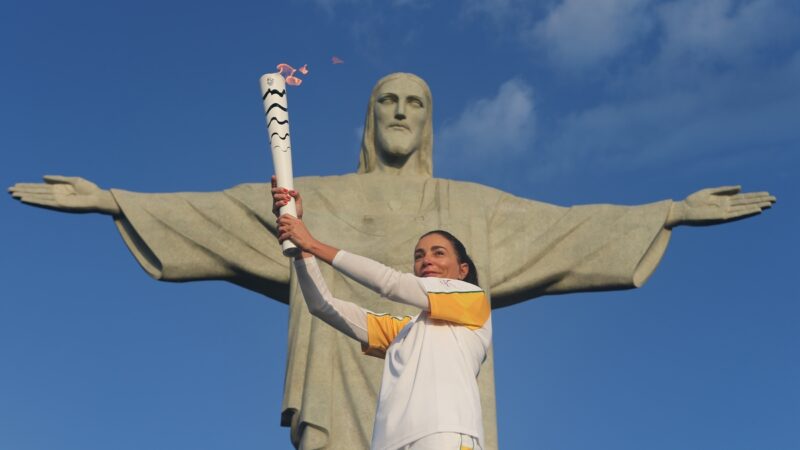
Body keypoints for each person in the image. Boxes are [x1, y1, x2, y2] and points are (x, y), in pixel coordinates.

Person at [8, 73, 775, 450]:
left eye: (414, 103)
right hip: (346, 397)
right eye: (387, 103)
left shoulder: (469, 210)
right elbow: (220, 218)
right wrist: (114, 199)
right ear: (368, 120)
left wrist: (668, 210)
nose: (401, 113)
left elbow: (566, 232)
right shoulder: (312, 195)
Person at [273, 179, 489, 450]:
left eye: (439, 253)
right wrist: (300, 246)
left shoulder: (474, 303)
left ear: (462, 270)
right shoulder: (405, 331)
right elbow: (322, 305)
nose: (427, 260)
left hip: (445, 435)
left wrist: (313, 243)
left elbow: (390, 283)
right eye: (419, 255)